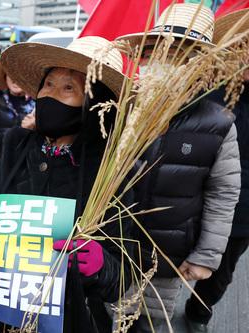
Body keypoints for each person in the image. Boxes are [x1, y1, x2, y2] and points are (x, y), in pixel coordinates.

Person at [0, 17, 132, 333]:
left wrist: (102, 267)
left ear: (95, 104)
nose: (51, 94)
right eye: (48, 84)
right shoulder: (11, 144)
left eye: (69, 87)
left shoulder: (108, 173)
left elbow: (126, 271)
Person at [115, 4, 241, 332]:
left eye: (184, 56)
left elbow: (223, 192)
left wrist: (206, 256)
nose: (169, 63)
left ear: (202, 66)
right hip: (110, 245)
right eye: (161, 52)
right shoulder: (120, 107)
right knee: (103, 317)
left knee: (148, 322)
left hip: (166, 255)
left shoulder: (218, 123)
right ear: (144, 57)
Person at [183, 9, 249, 333]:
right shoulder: (209, 89)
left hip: (244, 209)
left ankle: (198, 312)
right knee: (174, 258)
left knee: (222, 273)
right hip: (197, 194)